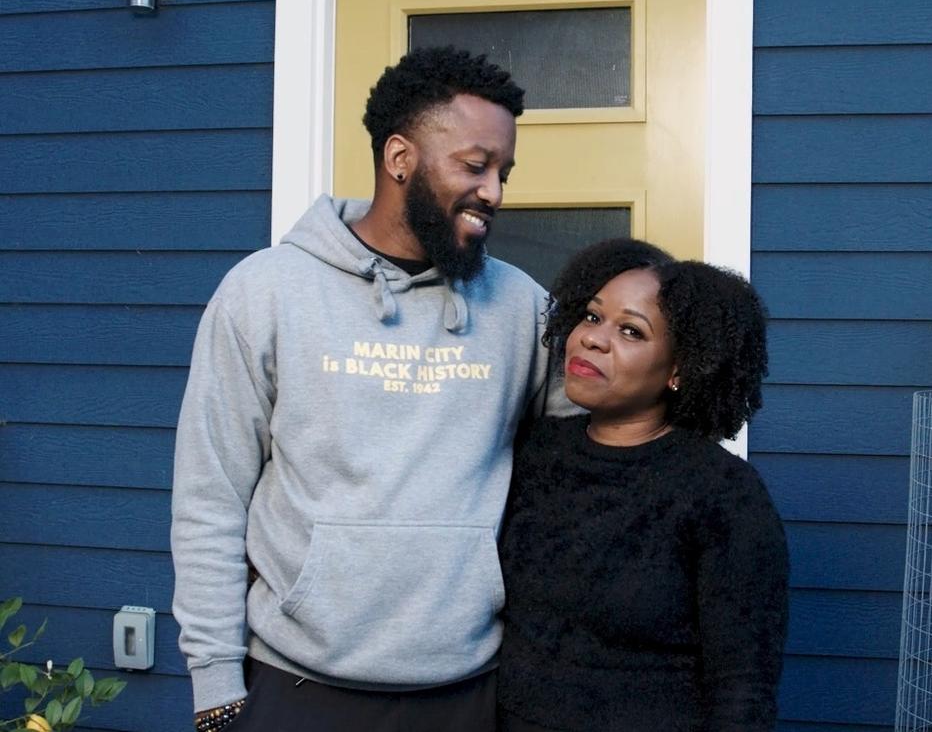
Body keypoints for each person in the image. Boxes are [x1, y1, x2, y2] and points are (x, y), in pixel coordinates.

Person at [171, 46, 572, 732]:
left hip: (470, 691)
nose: (496, 193)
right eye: (475, 166)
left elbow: (592, 457)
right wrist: (214, 682)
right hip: (295, 686)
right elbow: (211, 495)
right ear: (399, 158)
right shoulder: (265, 294)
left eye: (503, 172)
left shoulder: (522, 309)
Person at [497, 238, 789, 731]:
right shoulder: (534, 452)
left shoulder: (723, 494)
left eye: (631, 331)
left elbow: (743, 687)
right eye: (592, 317)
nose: (593, 339)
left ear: (680, 369)